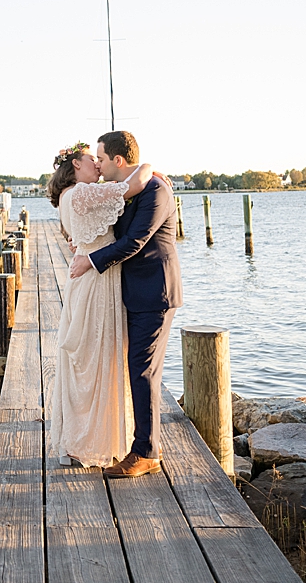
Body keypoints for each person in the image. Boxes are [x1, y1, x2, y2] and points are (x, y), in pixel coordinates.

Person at [69, 130, 181, 478]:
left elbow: (134, 241)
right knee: (138, 367)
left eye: (101, 158)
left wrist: (90, 261)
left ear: (119, 160)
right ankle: (143, 445)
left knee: (143, 369)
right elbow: (112, 227)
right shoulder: (130, 190)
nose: (98, 165)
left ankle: (146, 452)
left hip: (156, 292)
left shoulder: (156, 191)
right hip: (134, 292)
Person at [47, 142, 155, 467]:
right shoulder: (80, 193)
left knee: (91, 360)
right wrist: (149, 167)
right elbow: (134, 184)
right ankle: (90, 440)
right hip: (97, 281)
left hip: (87, 278)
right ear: (76, 166)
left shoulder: (69, 197)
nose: (96, 164)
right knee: (97, 361)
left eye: (99, 158)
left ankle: (87, 437)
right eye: (90, 160)